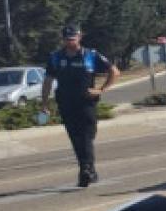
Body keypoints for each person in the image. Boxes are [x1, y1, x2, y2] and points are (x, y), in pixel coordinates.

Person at [40, 24, 118, 187]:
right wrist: (44, 104)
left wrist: (101, 89)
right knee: (77, 138)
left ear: (80, 37)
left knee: (88, 135)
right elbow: (47, 81)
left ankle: (87, 169)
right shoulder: (55, 57)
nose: (70, 42)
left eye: (73, 39)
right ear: (63, 39)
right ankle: (86, 170)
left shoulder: (91, 55)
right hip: (66, 104)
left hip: (86, 103)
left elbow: (114, 72)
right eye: (67, 39)